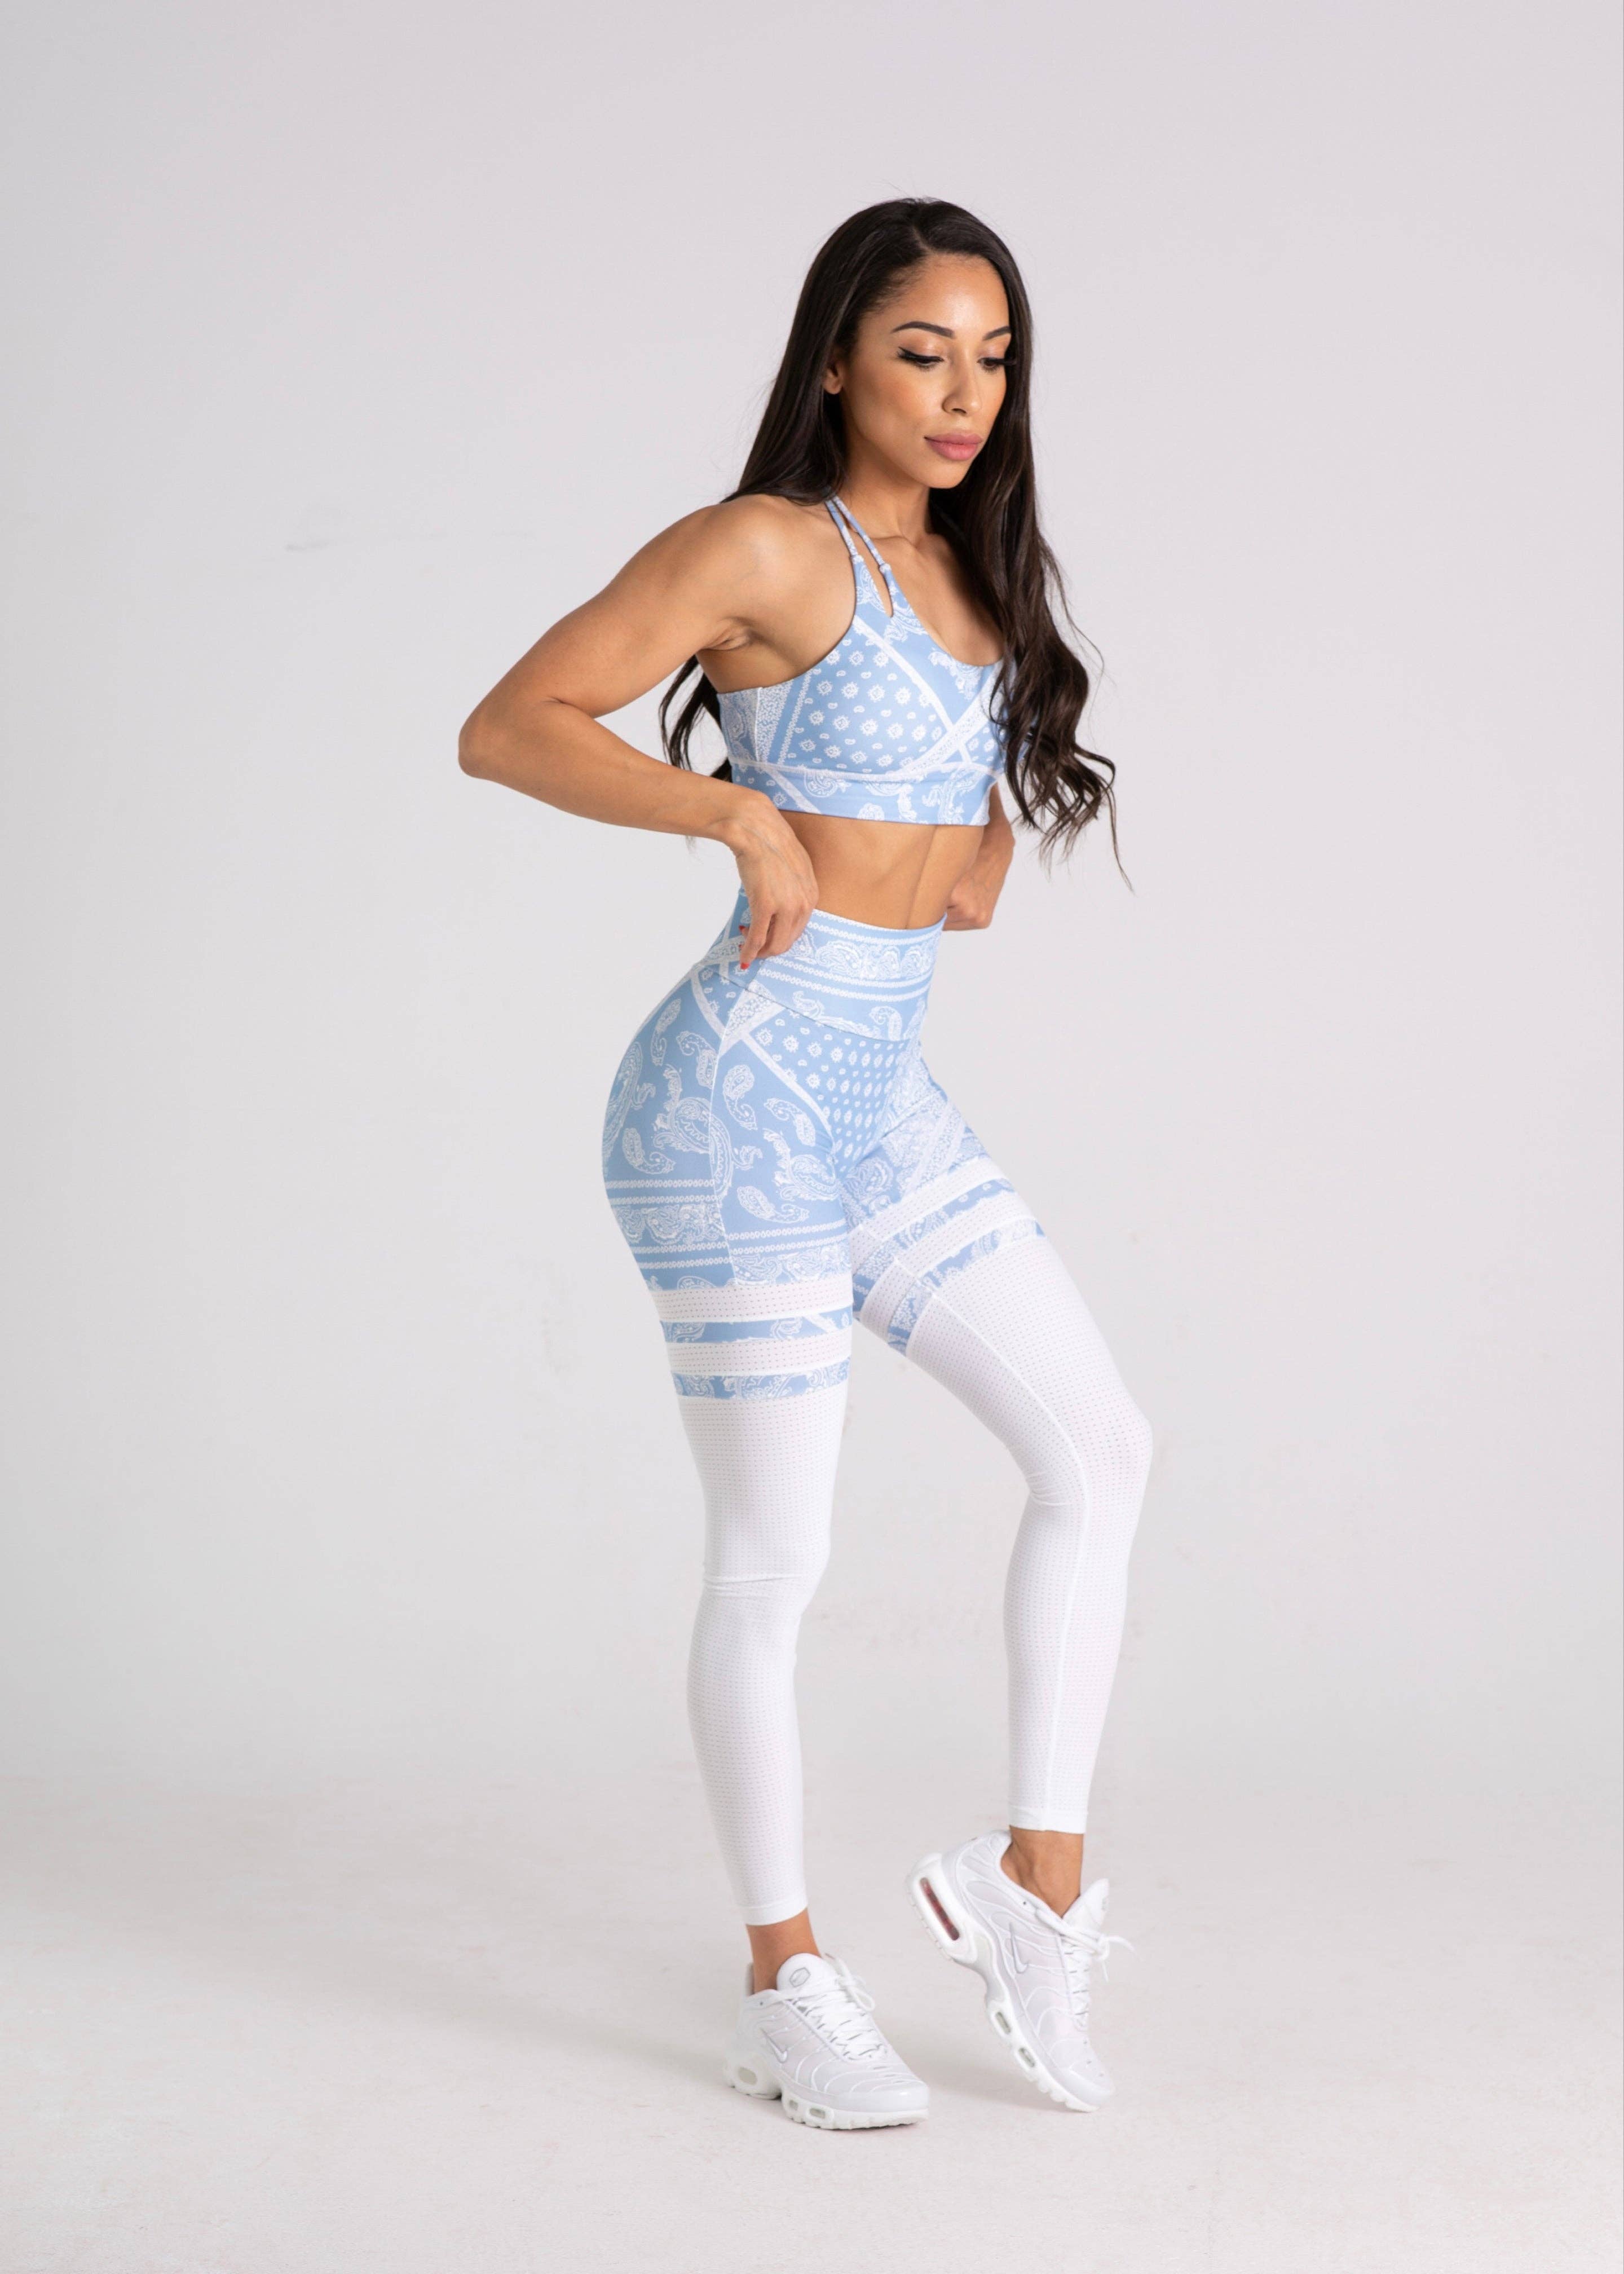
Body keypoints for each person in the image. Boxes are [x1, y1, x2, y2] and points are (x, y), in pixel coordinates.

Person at [458, 198, 1153, 2130]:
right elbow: (508, 726)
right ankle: (787, 1982)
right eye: (922, 351)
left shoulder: (977, 577)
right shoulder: (766, 545)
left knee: (1102, 1451)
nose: (962, 393)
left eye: (993, 358)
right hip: (737, 1107)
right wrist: (732, 817)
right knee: (778, 1560)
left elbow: (952, 861)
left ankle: (1035, 1890)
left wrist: (944, 853)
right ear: (839, 357)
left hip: (880, 1098)